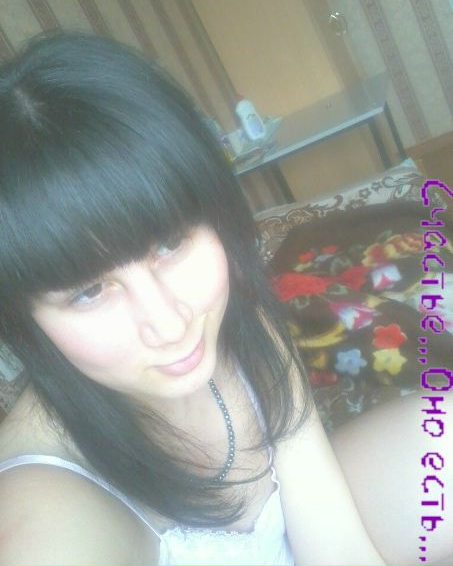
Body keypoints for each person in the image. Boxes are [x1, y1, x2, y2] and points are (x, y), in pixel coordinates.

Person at [0, 30, 451, 566]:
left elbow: (338, 544)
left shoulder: (242, 316)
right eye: (88, 291)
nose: (171, 325)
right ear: (24, 317)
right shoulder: (42, 514)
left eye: (170, 243)